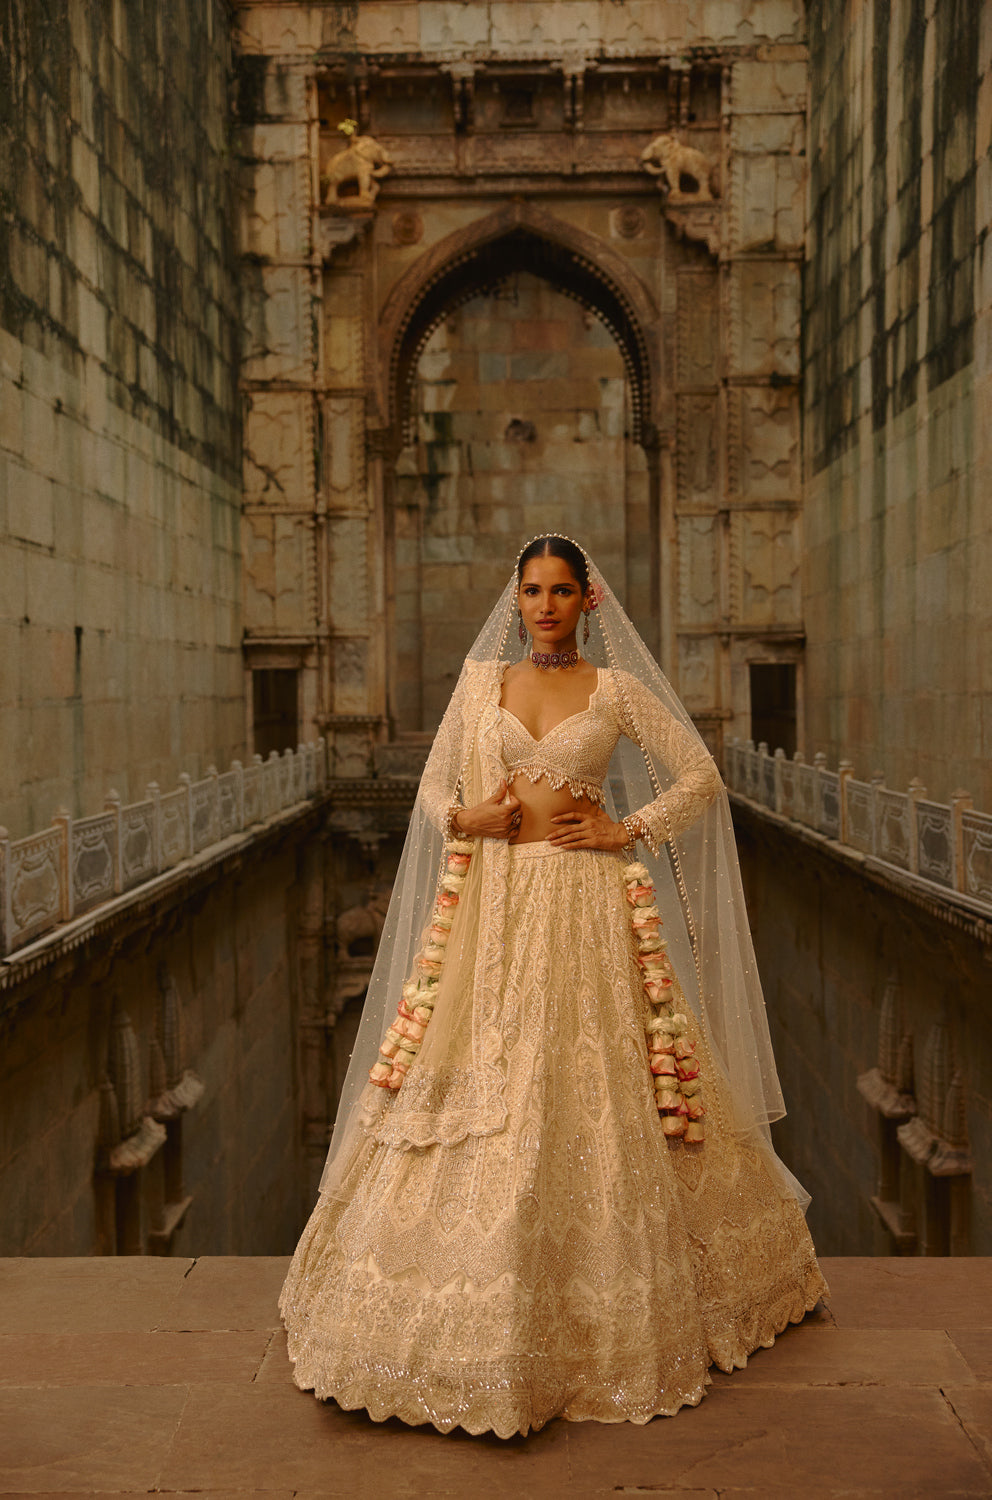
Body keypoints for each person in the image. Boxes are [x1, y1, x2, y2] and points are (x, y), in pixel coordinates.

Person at [279, 535, 827, 1437]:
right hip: (493, 906)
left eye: (561, 591)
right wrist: (469, 815)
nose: (544, 605)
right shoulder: (479, 684)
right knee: (488, 1079)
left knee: (583, 1088)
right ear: (518, 598)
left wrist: (628, 829)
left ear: (588, 603)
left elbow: (700, 776)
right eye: (531, 590)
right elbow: (429, 793)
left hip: (582, 905)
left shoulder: (611, 692)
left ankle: (601, 1321)